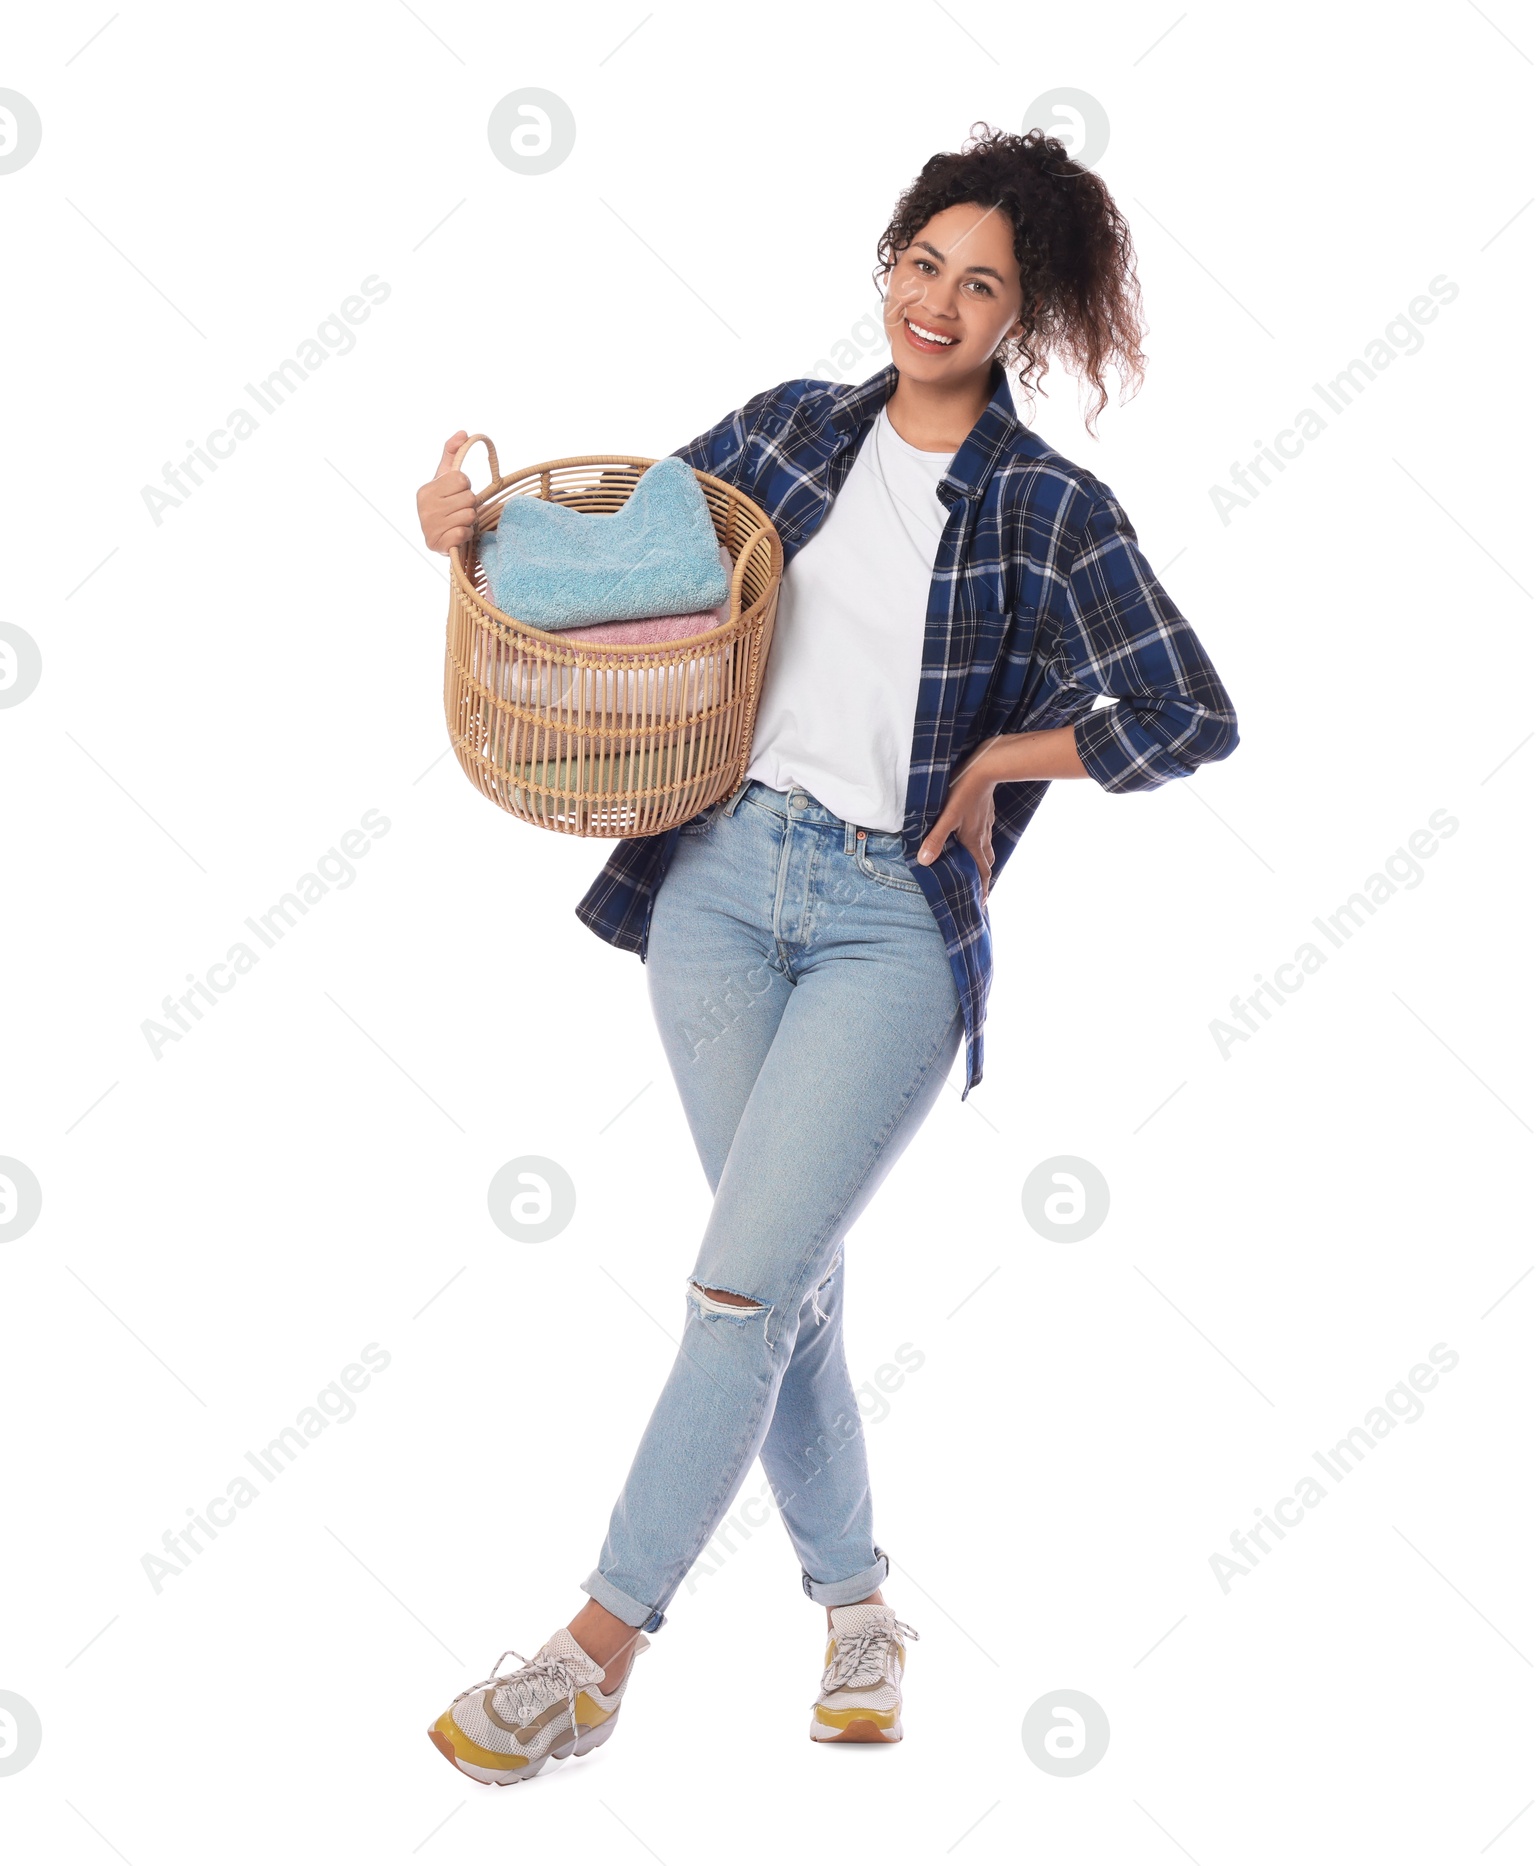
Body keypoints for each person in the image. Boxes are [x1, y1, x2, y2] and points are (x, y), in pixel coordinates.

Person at [414, 121, 1239, 1783]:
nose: (936, 301)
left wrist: (1009, 761)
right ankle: (859, 1609)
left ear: (1026, 318)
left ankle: (590, 1656)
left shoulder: (1048, 508)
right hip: (711, 892)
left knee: (739, 1289)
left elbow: (1186, 713)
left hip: (890, 929)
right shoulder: (787, 431)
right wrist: (467, 528)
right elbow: (613, 565)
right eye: (921, 263)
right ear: (889, 267)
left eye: (981, 284)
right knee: (780, 1287)